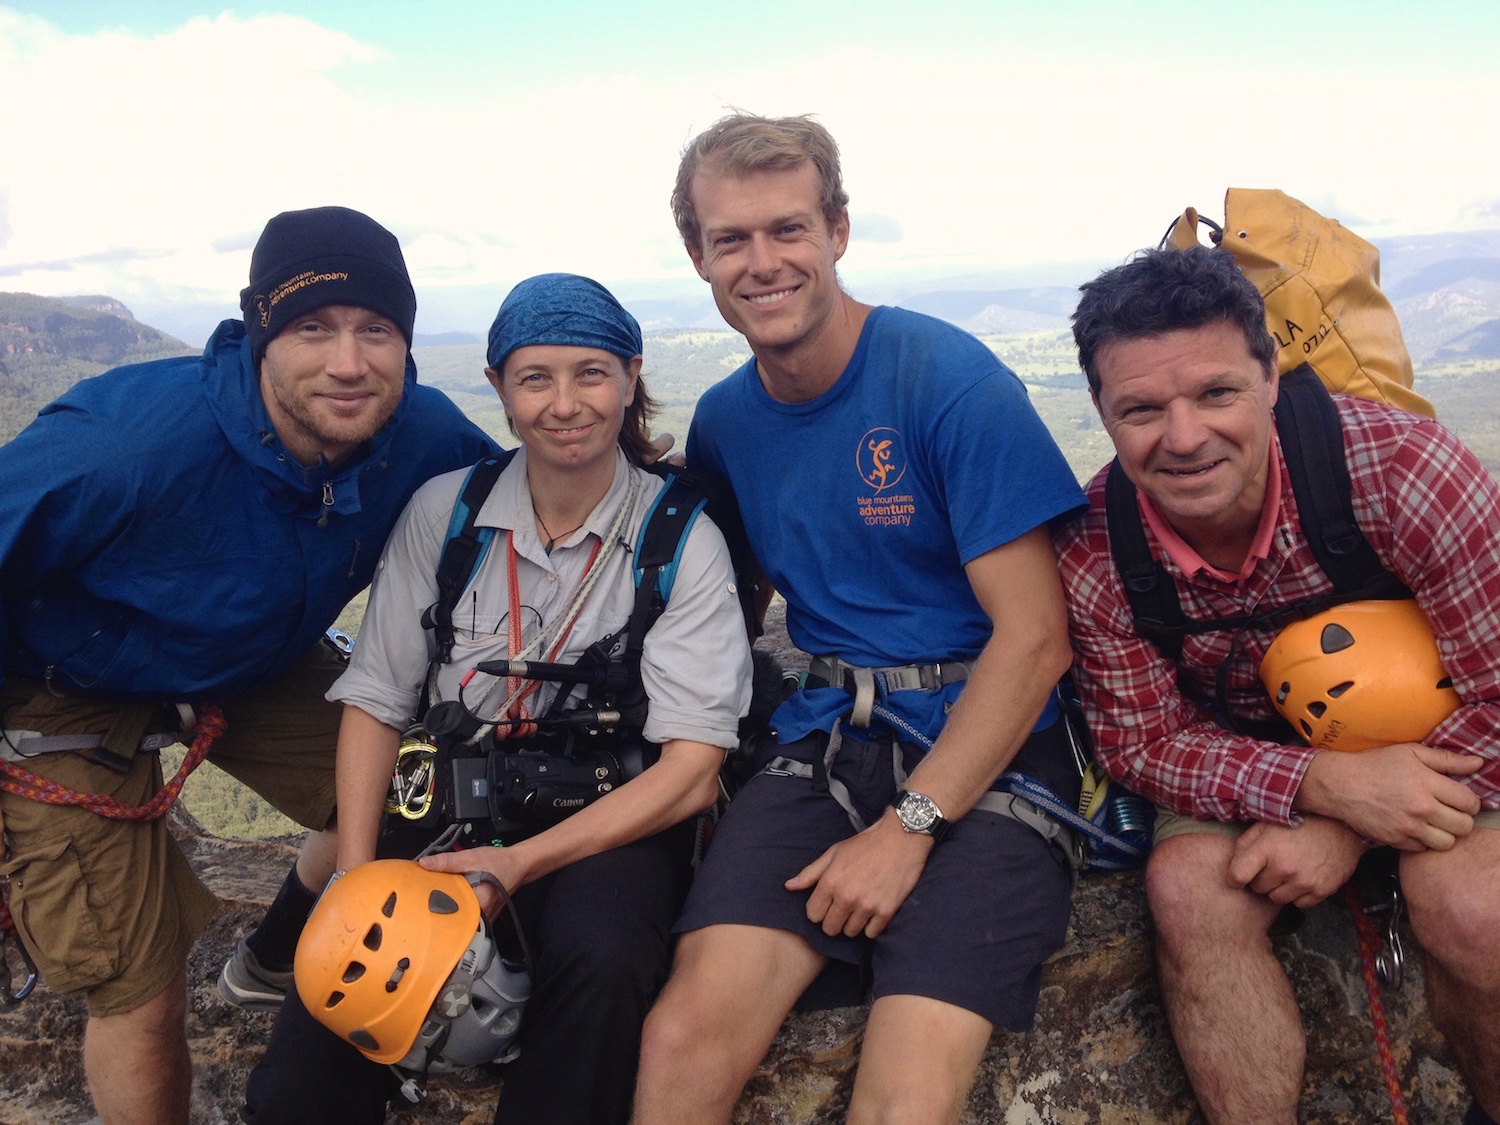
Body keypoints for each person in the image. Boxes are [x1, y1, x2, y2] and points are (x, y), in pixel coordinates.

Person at [632, 114, 1087, 1124]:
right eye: (731, 239)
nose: (763, 262)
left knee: (902, 1097)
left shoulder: (946, 381)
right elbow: (731, 605)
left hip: (992, 744)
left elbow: (1036, 639)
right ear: (696, 256)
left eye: (787, 229)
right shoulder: (728, 421)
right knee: (678, 1040)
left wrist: (909, 828)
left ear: (837, 231)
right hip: (833, 736)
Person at [0, 206, 498, 1125]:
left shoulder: (419, 433)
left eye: (375, 330)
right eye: (313, 328)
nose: (348, 363)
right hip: (61, 686)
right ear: (261, 335)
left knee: (425, 792)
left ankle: (274, 958)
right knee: (140, 987)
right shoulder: (125, 450)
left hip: (250, 661)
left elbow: (528, 497)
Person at [240, 273, 752, 1125]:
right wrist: (359, 873)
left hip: (609, 813)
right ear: (499, 390)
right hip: (452, 795)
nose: (565, 404)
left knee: (604, 959)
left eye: (590, 374)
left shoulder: (677, 538)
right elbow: (375, 700)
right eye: (534, 378)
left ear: (630, 378)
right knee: (315, 1055)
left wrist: (518, 866)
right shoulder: (449, 514)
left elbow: (693, 772)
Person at [1054, 245, 1500, 1125]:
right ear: (1102, 411)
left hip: (1439, 738)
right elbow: (1140, 739)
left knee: (1473, 905)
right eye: (1141, 408)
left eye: (1216, 393)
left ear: (1270, 375)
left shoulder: (1403, 473)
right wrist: (1320, 786)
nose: (1182, 437)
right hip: (1241, 754)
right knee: (1190, 894)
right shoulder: (1097, 545)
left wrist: (1341, 827)